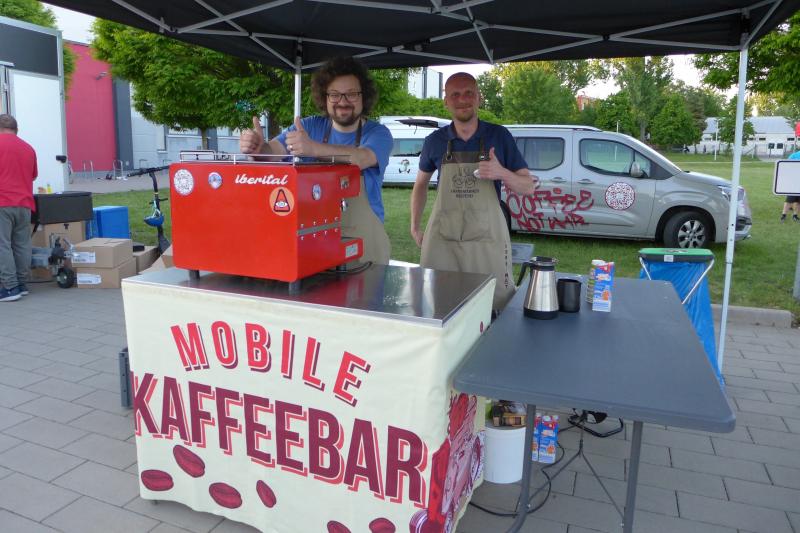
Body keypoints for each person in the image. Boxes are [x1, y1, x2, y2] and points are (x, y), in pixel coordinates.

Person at [239, 56, 393, 265]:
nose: (343, 102)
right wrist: (258, 148)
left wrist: (313, 148)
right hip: (317, 238)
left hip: (365, 240)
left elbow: (362, 158)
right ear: (324, 97)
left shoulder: (378, 133)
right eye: (335, 95)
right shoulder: (310, 126)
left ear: (363, 96)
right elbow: (272, 151)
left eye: (351, 94)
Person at [410, 73, 537, 312]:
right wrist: (415, 227)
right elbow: (420, 185)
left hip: (486, 241)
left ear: (479, 97)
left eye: (469, 93)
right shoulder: (434, 141)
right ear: (446, 101)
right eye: (455, 94)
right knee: (437, 302)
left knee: (493, 303)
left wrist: (501, 172)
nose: (462, 99)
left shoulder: (499, 136)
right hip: (444, 240)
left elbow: (528, 186)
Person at [0, 114, 37, 302]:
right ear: (16, 130)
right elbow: (33, 175)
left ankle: (10, 287)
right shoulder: (28, 148)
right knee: (22, 244)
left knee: (2, 244)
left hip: (2, 202)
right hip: (24, 204)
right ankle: (22, 284)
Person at [781, 150, 800, 222]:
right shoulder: (794, 155)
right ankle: (783, 215)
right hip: (793, 182)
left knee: (799, 201)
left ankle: (795, 215)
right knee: (789, 199)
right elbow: (786, 166)